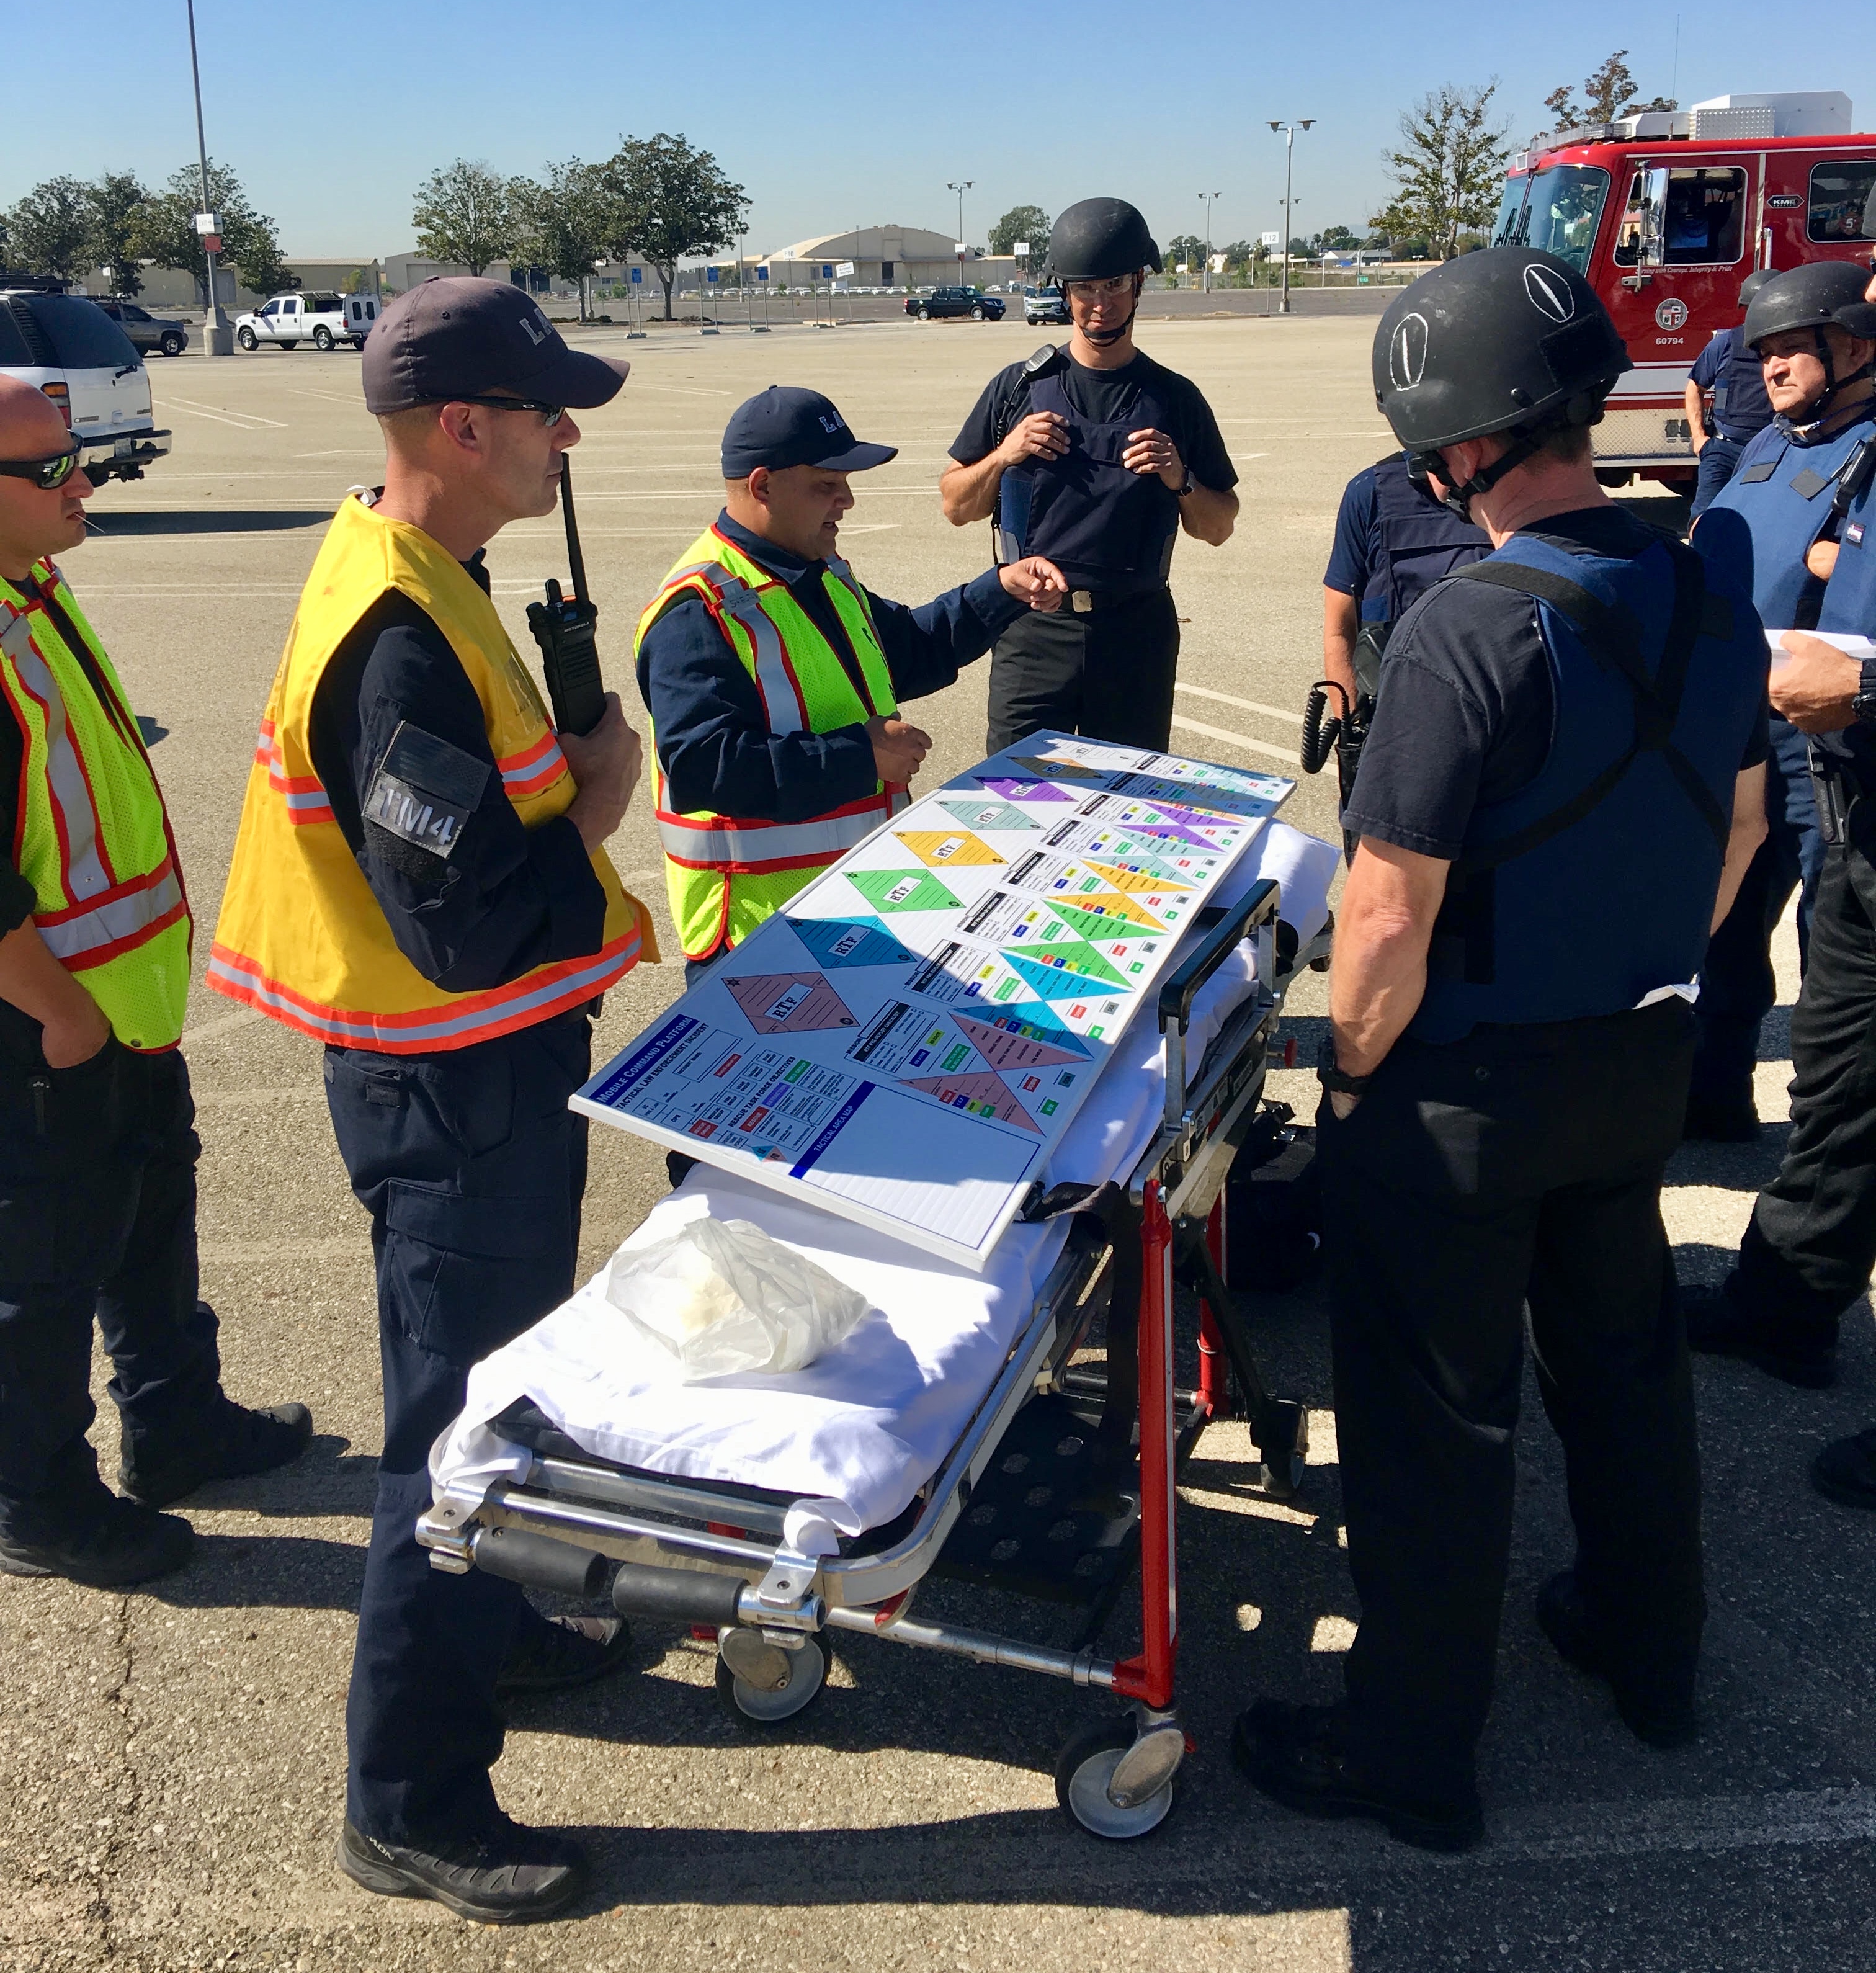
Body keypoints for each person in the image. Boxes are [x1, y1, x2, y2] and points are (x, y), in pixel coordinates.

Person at [1232, 249, 1770, 1851]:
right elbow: (1740, 827)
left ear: (1451, 442)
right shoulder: (1701, 587)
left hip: (1462, 1089)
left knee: (1436, 1425)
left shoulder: (1467, 630)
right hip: (1632, 1062)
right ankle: (1647, 1648)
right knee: (1623, 1368)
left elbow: (1385, 914)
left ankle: (1410, 1747)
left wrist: (1350, 1071)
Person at [208, 280, 654, 1923]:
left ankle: (504, 1629)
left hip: (479, 1074)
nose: (568, 434)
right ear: (460, 428)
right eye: (545, 411)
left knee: (498, 1397)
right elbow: (456, 925)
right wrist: (595, 810)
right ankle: (408, 1798)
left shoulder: (433, 574)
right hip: (449, 1082)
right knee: (451, 1432)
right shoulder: (396, 643)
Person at [0, 377, 311, 1590]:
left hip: (125, 1009)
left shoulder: (31, 591)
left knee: (146, 1228)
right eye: (48, 470)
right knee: (41, 1275)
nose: (84, 483)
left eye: (76, 458)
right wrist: (63, 1016)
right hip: (48, 1028)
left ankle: (175, 1423)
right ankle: (38, 1503)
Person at [636, 384, 1067, 975]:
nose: (847, 500)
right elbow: (701, 764)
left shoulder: (819, 574)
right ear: (762, 486)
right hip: (759, 936)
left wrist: (1000, 590)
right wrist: (859, 758)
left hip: (854, 906)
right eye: (826, 484)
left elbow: (912, 649)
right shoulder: (701, 607)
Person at [1685, 282, 1876, 1431]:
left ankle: (1787, 1301)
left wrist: (1856, 683)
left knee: (1835, 1056)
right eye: (1754, 351)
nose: (1764, 367)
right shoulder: (1761, 453)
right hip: (1750, 735)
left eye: (1787, 348)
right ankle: (1785, 1300)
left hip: (1827, 763)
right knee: (1814, 1041)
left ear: (1847, 349)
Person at [937, 197, 1239, 754]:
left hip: (1135, 634)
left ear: (1139, 285)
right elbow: (955, 504)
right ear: (1066, 291)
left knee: (1129, 802)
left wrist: (1181, 479)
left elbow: (1219, 527)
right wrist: (1005, 454)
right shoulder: (1018, 389)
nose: (1100, 304)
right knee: (1015, 798)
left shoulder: (1175, 398)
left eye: (1115, 285)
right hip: (1030, 630)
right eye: (1086, 288)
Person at [1684, 269, 1777, 521]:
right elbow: (1695, 386)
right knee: (1704, 521)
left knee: (1765, 521)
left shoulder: (1794, 349)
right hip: (1723, 450)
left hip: (1771, 450)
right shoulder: (1727, 343)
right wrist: (1699, 438)